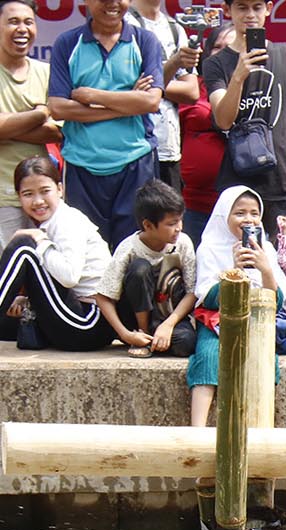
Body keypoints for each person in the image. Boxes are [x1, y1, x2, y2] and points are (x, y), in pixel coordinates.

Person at [46, 0, 165, 249]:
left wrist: (91, 96)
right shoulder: (67, 43)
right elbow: (58, 108)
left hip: (135, 162)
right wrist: (128, 102)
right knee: (87, 254)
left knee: (134, 252)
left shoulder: (145, 41)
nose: (112, 3)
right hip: (81, 164)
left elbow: (151, 101)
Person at [188, 185, 286, 425]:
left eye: (254, 213)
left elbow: (276, 302)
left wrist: (265, 269)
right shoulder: (209, 247)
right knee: (209, 355)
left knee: (264, 357)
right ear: (225, 216)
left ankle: (261, 426)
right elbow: (207, 297)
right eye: (240, 213)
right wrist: (235, 270)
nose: (248, 219)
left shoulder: (266, 250)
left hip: (257, 320)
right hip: (217, 320)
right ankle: (197, 429)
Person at [204, 0, 286, 230]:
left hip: (284, 179)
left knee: (284, 250)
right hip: (239, 182)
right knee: (241, 251)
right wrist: (238, 76)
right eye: (242, 7)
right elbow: (223, 120)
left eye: (257, 7)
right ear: (227, 10)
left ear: (268, 9)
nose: (250, 14)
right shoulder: (215, 63)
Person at [0, 155, 112, 351]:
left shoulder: (67, 220)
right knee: (4, 324)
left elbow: (69, 276)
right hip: (71, 314)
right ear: (19, 197)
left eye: (45, 191)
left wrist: (40, 240)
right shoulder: (48, 223)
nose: (38, 201)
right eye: (28, 194)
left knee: (24, 246)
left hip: (89, 322)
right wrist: (26, 300)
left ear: (60, 189)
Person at [94, 179, 197, 359]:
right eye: (171, 224)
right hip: (134, 318)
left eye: (180, 221)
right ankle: (143, 335)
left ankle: (155, 339)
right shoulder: (129, 248)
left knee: (186, 343)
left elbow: (192, 292)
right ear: (148, 225)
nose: (178, 228)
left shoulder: (183, 243)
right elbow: (103, 297)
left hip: (168, 314)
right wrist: (126, 334)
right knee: (139, 269)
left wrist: (168, 325)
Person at [0, 0, 59, 242]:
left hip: (44, 197)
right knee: (9, 263)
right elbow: (48, 122)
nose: (22, 29)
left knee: (48, 262)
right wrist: (39, 114)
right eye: (13, 22)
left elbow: (57, 132)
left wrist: (7, 126)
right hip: (3, 199)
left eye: (28, 22)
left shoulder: (47, 72)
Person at [126, 0, 198, 193]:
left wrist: (152, 86)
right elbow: (126, 87)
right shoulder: (123, 24)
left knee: (169, 211)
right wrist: (172, 65)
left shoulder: (175, 28)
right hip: (133, 146)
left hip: (169, 148)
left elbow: (192, 91)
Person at [180, 23, 232, 246]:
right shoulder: (193, 87)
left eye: (230, 47)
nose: (223, 53)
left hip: (240, 203)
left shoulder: (257, 84)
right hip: (195, 203)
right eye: (217, 47)